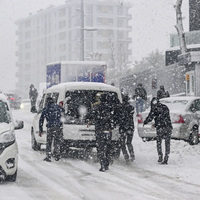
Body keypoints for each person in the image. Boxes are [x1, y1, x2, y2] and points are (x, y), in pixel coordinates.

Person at [86, 93, 119, 172]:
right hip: (109, 130)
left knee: (101, 148)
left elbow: (89, 115)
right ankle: (107, 163)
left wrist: (90, 120)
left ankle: (102, 165)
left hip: (100, 131)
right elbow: (117, 117)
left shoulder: (97, 107)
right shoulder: (111, 108)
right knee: (108, 147)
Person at [143, 97, 173, 164]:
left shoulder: (154, 108)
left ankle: (160, 157)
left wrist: (145, 122)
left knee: (159, 142)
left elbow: (150, 117)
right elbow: (165, 117)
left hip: (160, 128)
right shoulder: (165, 107)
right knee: (167, 143)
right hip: (168, 127)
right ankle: (166, 158)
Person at [39, 97, 65, 162]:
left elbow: (41, 120)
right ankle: (57, 155)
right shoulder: (58, 107)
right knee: (57, 141)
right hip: (58, 127)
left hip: (50, 127)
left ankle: (48, 156)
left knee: (49, 142)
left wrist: (41, 130)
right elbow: (64, 111)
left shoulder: (46, 108)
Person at [119, 95, 135, 163]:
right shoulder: (131, 108)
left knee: (122, 143)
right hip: (130, 127)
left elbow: (119, 117)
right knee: (129, 142)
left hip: (123, 127)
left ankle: (126, 156)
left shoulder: (120, 108)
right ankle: (132, 154)